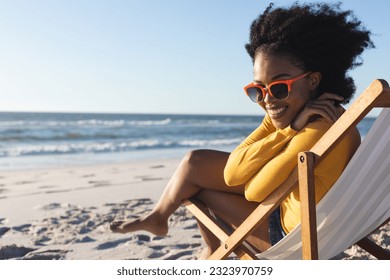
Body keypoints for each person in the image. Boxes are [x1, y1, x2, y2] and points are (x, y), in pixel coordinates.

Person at [110, 2, 373, 258]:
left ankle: (212, 250)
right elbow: (233, 171)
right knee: (196, 162)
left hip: (295, 237)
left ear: (313, 80)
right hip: (322, 226)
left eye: (280, 88)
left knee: (198, 189)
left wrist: (287, 132)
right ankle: (159, 218)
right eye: (258, 90)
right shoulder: (333, 117)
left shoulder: (315, 130)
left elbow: (252, 191)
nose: (268, 100)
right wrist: (285, 127)